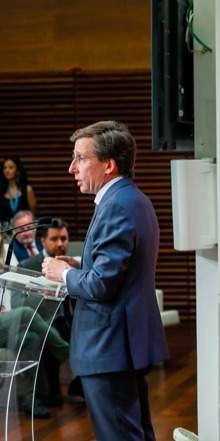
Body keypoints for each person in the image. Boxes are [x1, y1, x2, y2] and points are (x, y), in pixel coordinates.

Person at [42, 121, 169, 441]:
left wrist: (65, 274)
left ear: (109, 165)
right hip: (120, 344)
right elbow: (119, 269)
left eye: (80, 158)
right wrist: (81, 264)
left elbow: (101, 285)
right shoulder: (129, 199)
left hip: (109, 346)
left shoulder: (117, 206)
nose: (72, 168)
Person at [19, 218, 78, 406]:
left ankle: (83, 385)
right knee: (49, 336)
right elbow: (18, 303)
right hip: (44, 322)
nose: (61, 244)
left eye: (64, 238)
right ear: (42, 241)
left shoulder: (73, 263)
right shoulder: (28, 265)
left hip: (73, 319)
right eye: (54, 239)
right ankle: (52, 393)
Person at [0, 157, 37, 224]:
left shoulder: (27, 190)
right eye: (4, 168)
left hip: (23, 230)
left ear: (17, 171)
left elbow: (32, 215)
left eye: (11, 168)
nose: (7, 170)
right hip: (4, 230)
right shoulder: (1, 191)